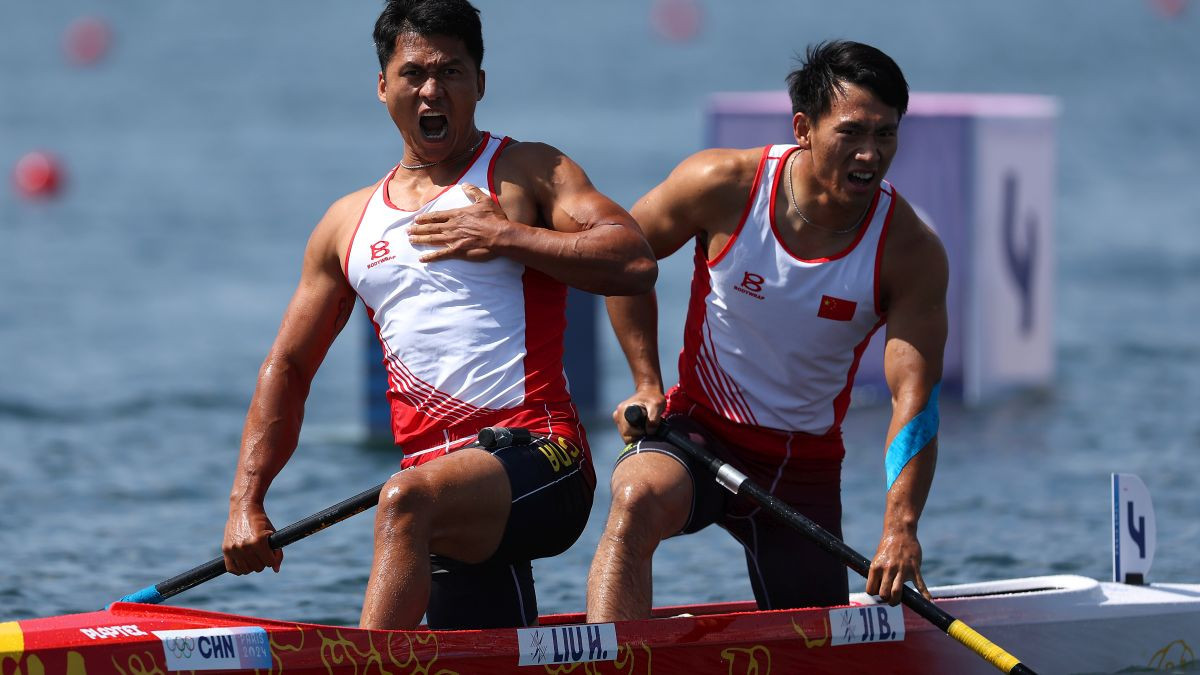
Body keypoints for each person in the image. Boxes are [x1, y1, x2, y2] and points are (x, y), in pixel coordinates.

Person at [221, 0, 656, 631]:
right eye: (413, 74)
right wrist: (246, 504)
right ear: (382, 87)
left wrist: (507, 237)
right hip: (443, 485)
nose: (432, 90)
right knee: (475, 641)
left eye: (451, 72)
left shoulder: (528, 171)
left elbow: (634, 259)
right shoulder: (346, 224)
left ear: (480, 83)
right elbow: (287, 366)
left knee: (404, 502)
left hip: (545, 457)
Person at [586, 40, 947, 621]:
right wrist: (645, 382)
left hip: (800, 468)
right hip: (698, 437)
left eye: (886, 135)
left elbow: (915, 398)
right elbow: (620, 263)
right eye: (852, 132)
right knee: (634, 501)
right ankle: (607, 661)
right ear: (804, 127)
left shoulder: (909, 250)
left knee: (819, 651)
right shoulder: (723, 183)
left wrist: (899, 529)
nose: (870, 154)